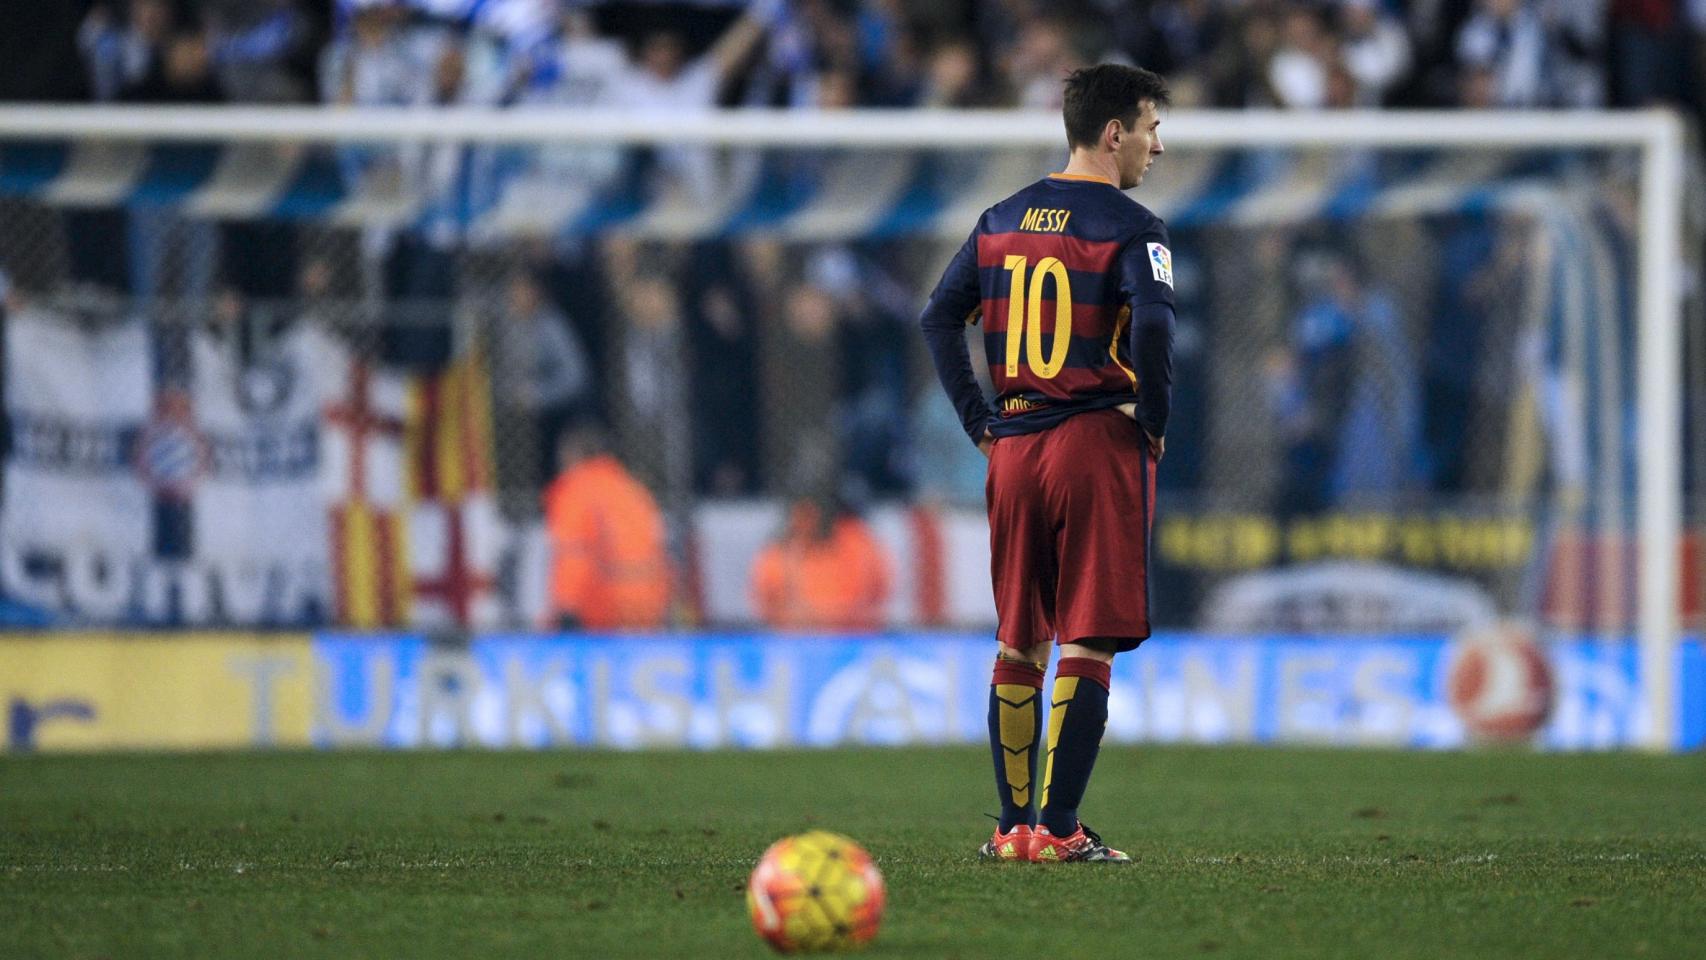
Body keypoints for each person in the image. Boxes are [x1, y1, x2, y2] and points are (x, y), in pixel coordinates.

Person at [919, 64, 1174, 863]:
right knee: (1087, 640)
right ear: (1113, 134)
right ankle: (1060, 829)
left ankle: (1011, 828)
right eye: (1151, 127)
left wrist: (980, 423)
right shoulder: (1136, 227)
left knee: (1019, 641)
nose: (1157, 145)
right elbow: (1158, 331)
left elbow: (937, 318)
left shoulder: (1000, 217)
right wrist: (1156, 423)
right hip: (1093, 440)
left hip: (1016, 446)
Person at [542, 425, 672, 631]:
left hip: (602, 606)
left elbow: (573, 554)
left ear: (573, 456)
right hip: (648, 605)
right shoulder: (634, 489)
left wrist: (566, 608)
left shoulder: (575, 490)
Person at [749, 497, 892, 631]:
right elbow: (766, 604)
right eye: (801, 515)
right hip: (793, 640)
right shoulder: (777, 555)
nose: (806, 522)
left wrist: (837, 618)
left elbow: (876, 595)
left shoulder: (857, 543)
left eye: (811, 514)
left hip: (851, 638)